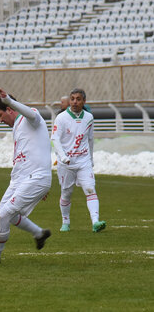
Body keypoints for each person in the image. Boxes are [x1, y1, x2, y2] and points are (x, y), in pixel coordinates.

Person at [0, 88, 52, 265]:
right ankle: (39, 233)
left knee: (5, 213)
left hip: (35, 178)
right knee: (4, 214)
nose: (0, 120)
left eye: (0, 115)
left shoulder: (30, 118)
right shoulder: (17, 127)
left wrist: (8, 100)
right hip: (22, 179)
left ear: (10, 109)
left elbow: (31, 114)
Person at [51, 88, 105, 233]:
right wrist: (62, 156)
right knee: (66, 193)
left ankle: (95, 222)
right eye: (72, 98)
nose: (75, 102)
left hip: (84, 161)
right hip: (66, 163)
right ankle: (65, 222)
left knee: (90, 189)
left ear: (84, 101)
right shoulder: (61, 118)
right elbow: (55, 139)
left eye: (78, 99)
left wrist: (91, 159)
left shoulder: (89, 117)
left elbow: (90, 139)